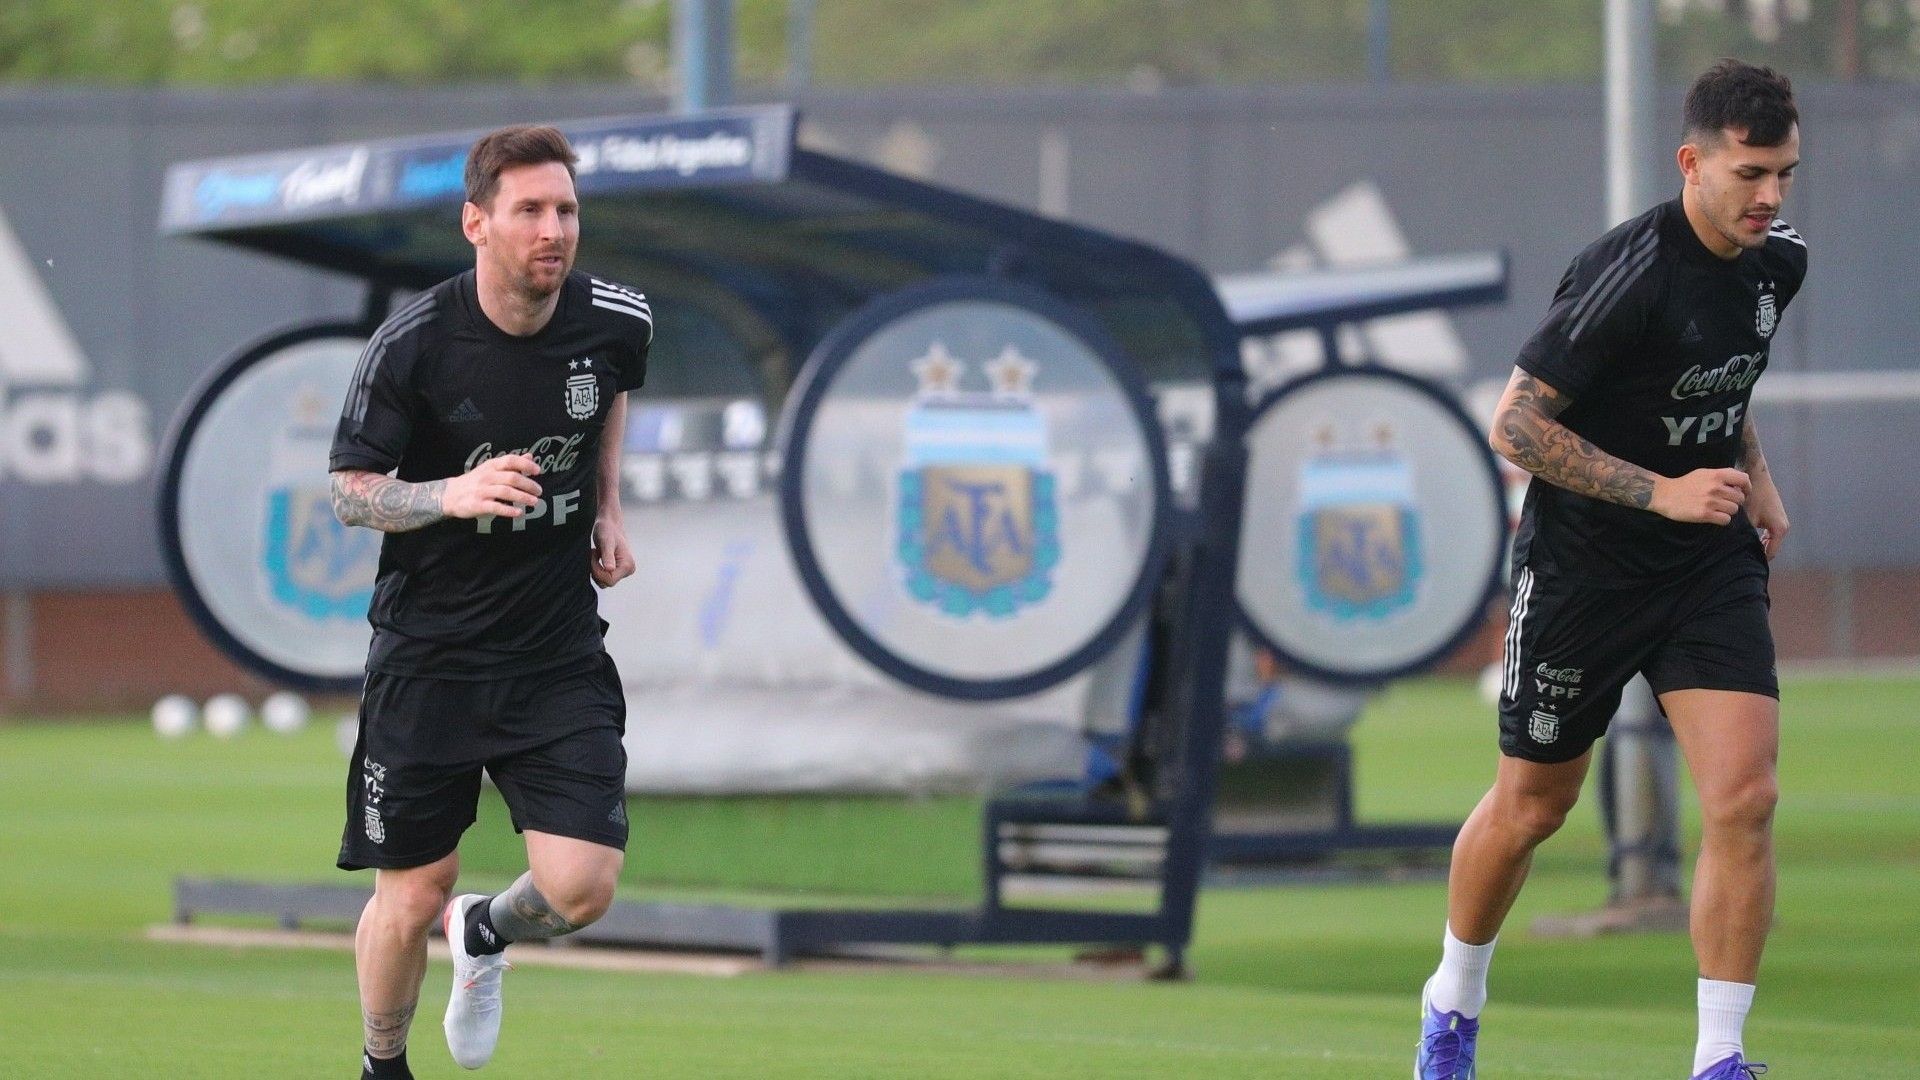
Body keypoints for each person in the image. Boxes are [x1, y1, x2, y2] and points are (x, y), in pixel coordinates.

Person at [1416, 59, 1806, 1080]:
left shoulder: (1778, 262)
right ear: (1692, 163)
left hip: (1704, 570)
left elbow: (1722, 374)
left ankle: (1720, 1057)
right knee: (1533, 808)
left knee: (1745, 797)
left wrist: (1750, 474)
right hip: (1584, 570)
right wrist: (1662, 489)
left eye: (1787, 176)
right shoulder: (1627, 270)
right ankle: (1453, 1000)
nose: (1770, 197)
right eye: (1751, 174)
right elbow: (1515, 423)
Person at [328, 124, 651, 1078]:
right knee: (414, 891)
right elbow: (348, 490)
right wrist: (446, 495)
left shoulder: (619, 319)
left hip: (554, 654)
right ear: (477, 224)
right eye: (530, 212)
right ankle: (383, 1064)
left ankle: (489, 937)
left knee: (582, 889)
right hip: (429, 659)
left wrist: (609, 508)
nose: (554, 229)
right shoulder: (414, 344)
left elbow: (610, 394)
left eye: (566, 210)